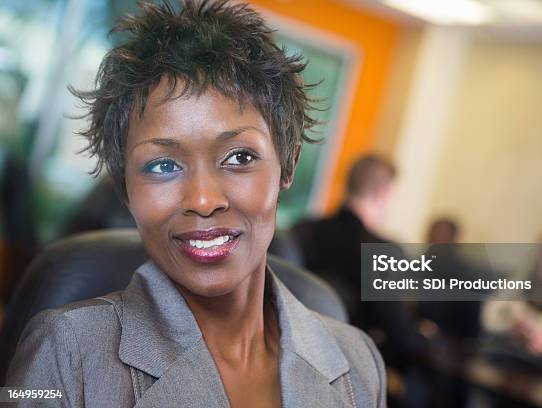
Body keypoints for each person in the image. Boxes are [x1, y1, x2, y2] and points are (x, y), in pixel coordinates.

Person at [5, 1, 386, 407]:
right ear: (124, 187)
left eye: (239, 157)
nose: (203, 200)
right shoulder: (66, 354)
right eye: (163, 164)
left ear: (287, 163)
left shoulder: (358, 362)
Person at [291, 155, 425, 406]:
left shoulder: (302, 231)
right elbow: (400, 335)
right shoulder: (383, 251)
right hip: (349, 377)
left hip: (292, 360)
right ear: (383, 193)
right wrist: (427, 338)